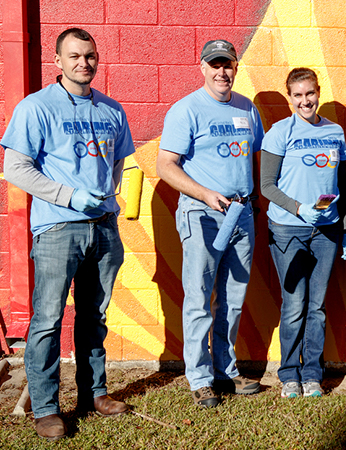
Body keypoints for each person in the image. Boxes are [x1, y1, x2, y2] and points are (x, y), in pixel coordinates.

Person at [1, 28, 134, 441]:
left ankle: (94, 394)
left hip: (104, 229)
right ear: (57, 61)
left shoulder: (112, 110)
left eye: (90, 55)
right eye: (74, 56)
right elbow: (17, 167)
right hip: (58, 227)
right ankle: (45, 408)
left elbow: (117, 165)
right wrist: (70, 195)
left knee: (94, 316)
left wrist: (107, 199)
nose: (84, 63)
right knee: (47, 320)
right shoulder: (36, 107)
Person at [156, 39, 265, 408]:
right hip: (202, 213)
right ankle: (200, 378)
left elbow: (254, 157)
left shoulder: (247, 109)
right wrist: (205, 194)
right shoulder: (186, 110)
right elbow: (165, 165)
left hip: (241, 213)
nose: (222, 72)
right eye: (215, 64)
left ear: (236, 67)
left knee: (232, 300)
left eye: (228, 64)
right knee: (200, 298)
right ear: (202, 66)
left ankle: (225, 370)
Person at [260, 67, 346, 398]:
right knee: (295, 303)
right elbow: (267, 186)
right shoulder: (278, 132)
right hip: (288, 230)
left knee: (317, 305)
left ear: (319, 92)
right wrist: (299, 208)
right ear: (290, 98)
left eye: (310, 93)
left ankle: (312, 373)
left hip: (325, 231)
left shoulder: (335, 131)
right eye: (298, 95)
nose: (305, 100)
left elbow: (341, 185)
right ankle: (289, 375)